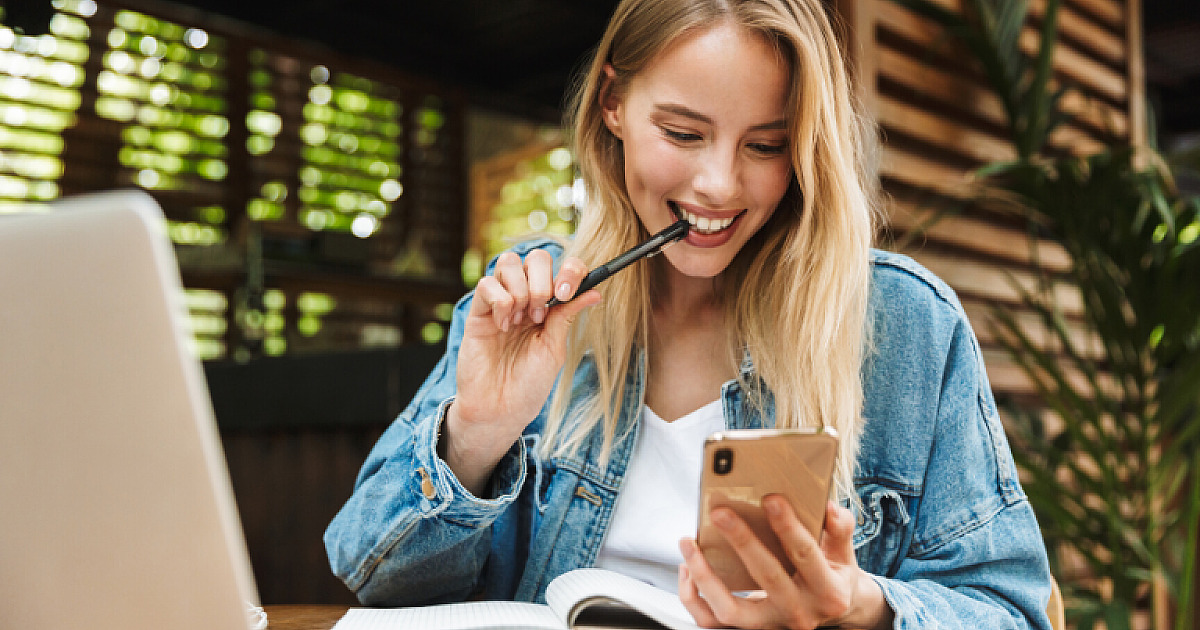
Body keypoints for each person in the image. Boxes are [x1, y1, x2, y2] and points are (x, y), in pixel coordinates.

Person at [325, 0, 1053, 627]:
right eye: (682, 133)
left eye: (766, 145)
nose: (718, 185)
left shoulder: (904, 325)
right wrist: (476, 437)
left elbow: (1012, 612)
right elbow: (372, 575)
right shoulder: (528, 302)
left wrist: (858, 606)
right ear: (613, 103)